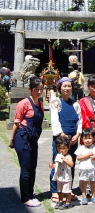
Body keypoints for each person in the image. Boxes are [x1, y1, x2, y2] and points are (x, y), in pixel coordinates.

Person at [9, 76, 44, 207]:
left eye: (41, 89)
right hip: (22, 138)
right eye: (36, 89)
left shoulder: (40, 103)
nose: (39, 92)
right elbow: (16, 123)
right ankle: (25, 197)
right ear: (30, 89)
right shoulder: (23, 103)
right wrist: (12, 140)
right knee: (26, 168)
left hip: (33, 139)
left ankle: (30, 193)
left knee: (33, 167)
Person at [49, 77, 82, 202]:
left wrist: (77, 134)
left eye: (69, 86)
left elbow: (80, 120)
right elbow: (54, 119)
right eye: (64, 86)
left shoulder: (75, 104)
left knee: (70, 164)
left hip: (73, 139)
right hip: (60, 139)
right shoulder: (56, 102)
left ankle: (68, 190)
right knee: (57, 163)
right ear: (59, 88)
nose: (67, 88)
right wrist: (61, 134)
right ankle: (55, 191)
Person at [75, 128, 95, 205]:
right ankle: (84, 197)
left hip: (93, 169)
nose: (87, 140)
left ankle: (93, 196)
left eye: (89, 138)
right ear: (82, 139)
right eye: (85, 138)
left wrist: (94, 157)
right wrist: (88, 155)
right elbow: (78, 157)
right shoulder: (80, 148)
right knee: (84, 183)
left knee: (93, 183)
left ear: (93, 138)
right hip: (83, 169)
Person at [51, 136, 74, 210]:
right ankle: (60, 201)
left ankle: (68, 202)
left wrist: (64, 159)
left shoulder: (68, 156)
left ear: (68, 148)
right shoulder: (58, 155)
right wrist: (52, 165)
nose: (61, 150)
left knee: (67, 191)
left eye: (63, 148)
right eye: (59, 148)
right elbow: (56, 164)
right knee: (59, 191)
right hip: (59, 177)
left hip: (66, 178)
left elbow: (71, 164)